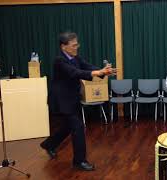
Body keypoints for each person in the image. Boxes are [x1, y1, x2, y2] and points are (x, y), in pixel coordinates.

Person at [40, 31, 116, 171]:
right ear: (64, 46)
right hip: (62, 100)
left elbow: (87, 66)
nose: (77, 47)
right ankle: (79, 161)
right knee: (78, 127)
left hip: (72, 99)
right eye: (74, 45)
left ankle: (49, 144)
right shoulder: (59, 61)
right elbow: (74, 73)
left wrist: (102, 71)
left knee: (68, 127)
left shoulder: (75, 57)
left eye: (77, 44)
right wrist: (96, 73)